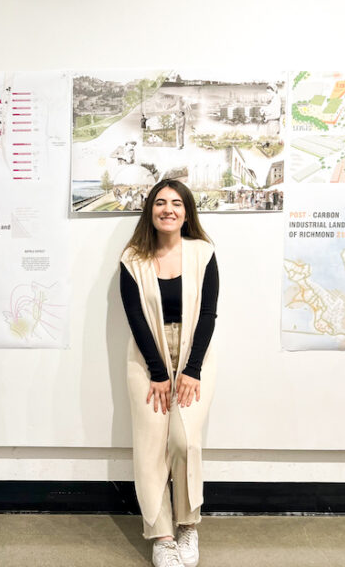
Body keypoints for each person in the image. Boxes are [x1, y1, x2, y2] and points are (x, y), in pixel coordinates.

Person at [118, 179, 219, 567]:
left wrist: (191, 369)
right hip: (147, 359)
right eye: (160, 203)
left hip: (196, 356)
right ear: (150, 211)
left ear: (187, 211)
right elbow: (135, 317)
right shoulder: (132, 258)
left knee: (183, 439)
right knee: (149, 445)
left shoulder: (203, 253)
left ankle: (187, 524)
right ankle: (161, 535)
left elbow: (208, 314)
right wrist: (158, 371)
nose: (168, 209)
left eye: (176, 203)